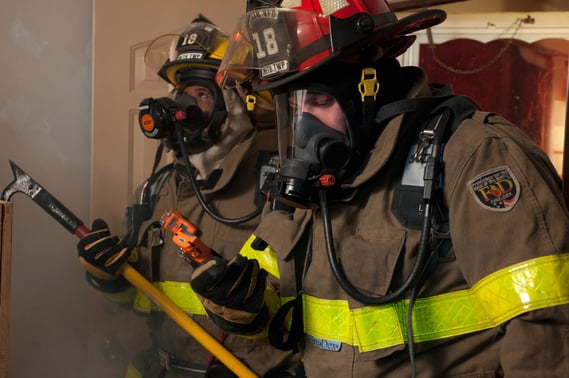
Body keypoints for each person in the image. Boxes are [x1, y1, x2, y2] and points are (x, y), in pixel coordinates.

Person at [188, 1, 569, 377]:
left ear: (371, 87)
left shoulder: (474, 157)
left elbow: (547, 330)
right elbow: (288, 308)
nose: (304, 127)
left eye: (318, 100)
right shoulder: (320, 182)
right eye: (292, 108)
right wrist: (246, 305)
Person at [76, 14, 301, 378]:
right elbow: (139, 300)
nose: (185, 108)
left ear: (235, 100)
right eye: (181, 94)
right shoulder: (158, 189)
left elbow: (313, 313)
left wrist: (250, 313)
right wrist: (110, 276)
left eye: (200, 94)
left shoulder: (281, 187)